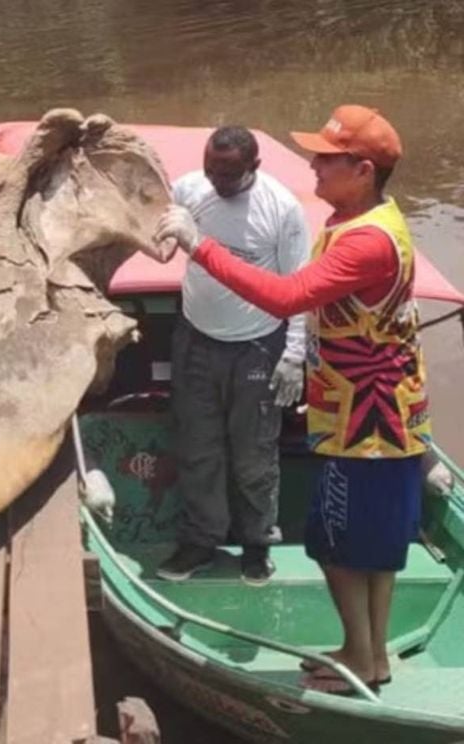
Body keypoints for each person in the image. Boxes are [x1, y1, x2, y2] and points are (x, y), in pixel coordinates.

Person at [154, 105, 429, 694]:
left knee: (335, 546)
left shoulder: (365, 243)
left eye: (326, 159)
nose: (313, 166)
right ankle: (369, 654)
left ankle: (361, 659)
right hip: (379, 414)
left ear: (362, 169)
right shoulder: (361, 218)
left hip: (366, 422)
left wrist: (200, 247)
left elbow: (286, 297)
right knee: (375, 550)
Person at [156, 127, 310, 586]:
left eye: (228, 173)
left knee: (253, 456)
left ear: (254, 168)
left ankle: (257, 543)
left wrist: (295, 354)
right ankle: (201, 541)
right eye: (211, 169)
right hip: (196, 339)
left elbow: (300, 288)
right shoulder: (189, 189)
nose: (217, 181)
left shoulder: (281, 209)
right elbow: (159, 242)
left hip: (258, 346)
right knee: (198, 448)